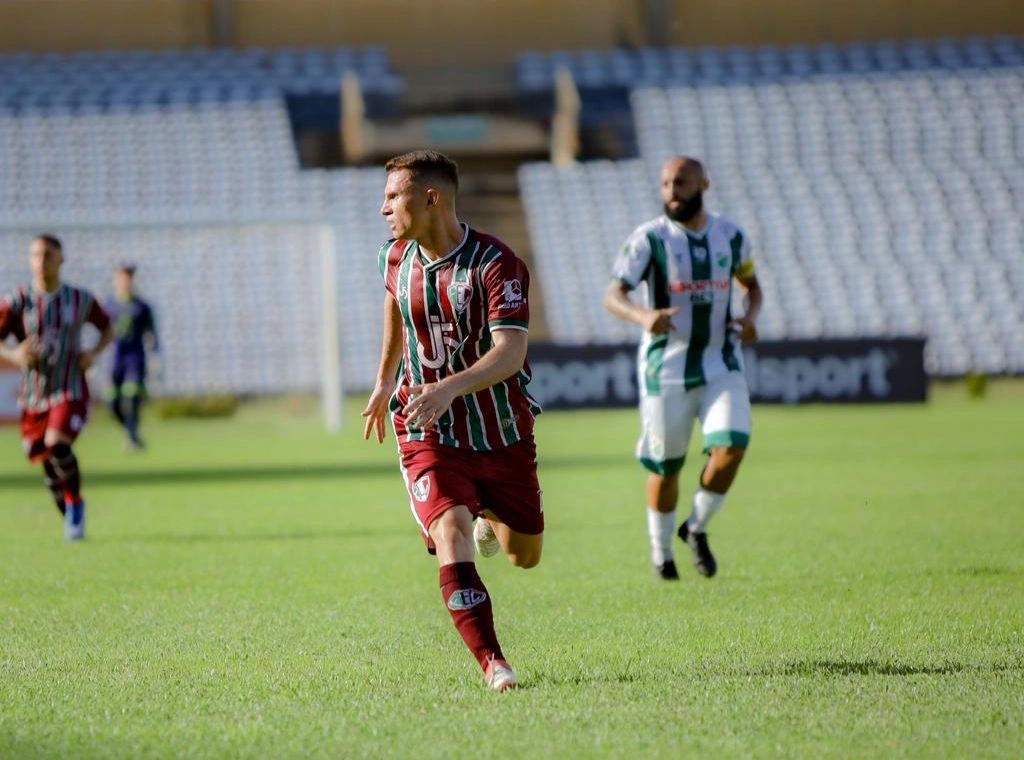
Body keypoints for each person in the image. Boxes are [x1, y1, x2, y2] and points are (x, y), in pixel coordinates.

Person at [361, 150, 544, 691]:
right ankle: (494, 663)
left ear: (431, 198)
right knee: (450, 528)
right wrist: (385, 377)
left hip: (500, 431)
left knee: (524, 556)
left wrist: (448, 388)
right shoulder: (394, 258)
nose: (384, 207)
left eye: (394, 196)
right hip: (426, 428)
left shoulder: (496, 264)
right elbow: (395, 309)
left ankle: (488, 513)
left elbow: (510, 352)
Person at [603, 156, 762, 580]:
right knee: (666, 466)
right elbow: (613, 294)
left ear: (704, 183)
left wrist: (749, 318)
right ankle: (662, 556)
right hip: (666, 367)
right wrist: (643, 317)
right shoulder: (649, 239)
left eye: (681, 182)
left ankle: (696, 526)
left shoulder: (731, 236)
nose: (672, 190)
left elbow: (752, 286)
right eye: (666, 183)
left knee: (732, 447)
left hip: (721, 361)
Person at [0, 234, 114, 540]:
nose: (42, 261)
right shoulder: (18, 301)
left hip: (70, 388)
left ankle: (76, 505)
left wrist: (92, 353)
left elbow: (107, 328)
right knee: (49, 468)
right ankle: (70, 515)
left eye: (48, 255)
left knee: (57, 443)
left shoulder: (79, 299)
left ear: (61, 259)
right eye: (36, 255)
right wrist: (13, 353)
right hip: (34, 395)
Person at [105, 263, 159, 450]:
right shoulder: (108, 305)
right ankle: (131, 433)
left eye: (128, 278)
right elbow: (100, 332)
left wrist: (154, 359)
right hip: (114, 360)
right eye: (121, 278)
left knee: (131, 399)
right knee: (112, 403)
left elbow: (152, 334)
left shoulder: (142, 307)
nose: (124, 282)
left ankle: (132, 437)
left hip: (135, 359)